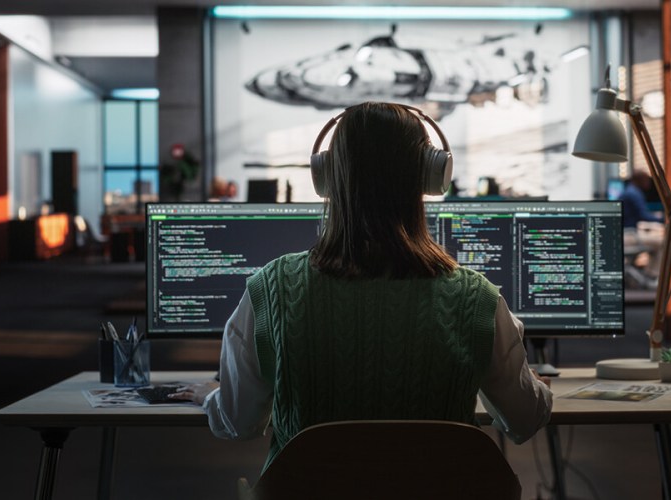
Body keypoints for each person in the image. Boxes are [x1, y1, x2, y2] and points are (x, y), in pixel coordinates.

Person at [169, 102, 553, 469]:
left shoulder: (270, 289)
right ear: (431, 176)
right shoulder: (477, 299)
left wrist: (211, 398)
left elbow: (239, 423)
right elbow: (524, 420)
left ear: (325, 176)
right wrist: (528, 381)